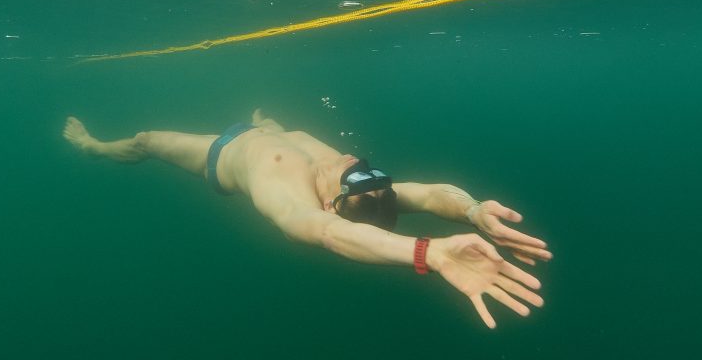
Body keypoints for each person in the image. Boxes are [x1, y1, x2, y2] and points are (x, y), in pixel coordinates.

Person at [63, 109, 551, 328]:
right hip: (270, 133)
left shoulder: (295, 204)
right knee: (277, 123)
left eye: (358, 182)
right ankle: (266, 121)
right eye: (370, 174)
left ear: (333, 204)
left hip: (223, 153)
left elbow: (332, 236)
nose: (360, 168)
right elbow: (428, 192)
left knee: (147, 139)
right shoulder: (364, 187)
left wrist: (429, 252)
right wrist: (471, 209)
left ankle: (92, 148)